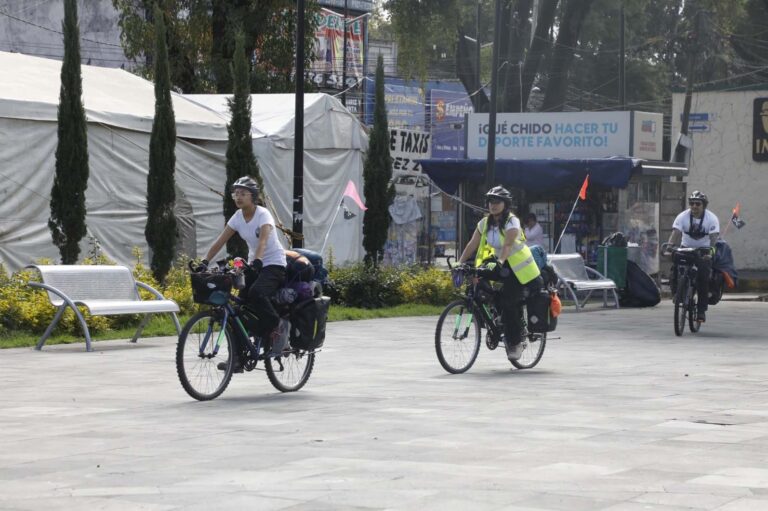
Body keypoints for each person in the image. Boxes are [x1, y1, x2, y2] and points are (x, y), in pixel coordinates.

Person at [199, 176, 287, 367]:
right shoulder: (238, 217)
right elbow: (220, 240)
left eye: (243, 194)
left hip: (273, 264)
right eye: (235, 194)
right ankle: (238, 359)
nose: (238, 197)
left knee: (257, 293)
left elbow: (263, 241)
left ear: (253, 196)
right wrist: (205, 261)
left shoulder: (263, 215)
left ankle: (276, 325)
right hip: (254, 263)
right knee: (238, 309)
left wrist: (258, 261)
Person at [458, 186, 542, 361]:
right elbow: (472, 244)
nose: (493, 205)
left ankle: (515, 342)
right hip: (499, 263)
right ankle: (496, 317)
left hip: (519, 268)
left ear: (506, 204)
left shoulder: (512, 222)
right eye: (490, 202)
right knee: (479, 284)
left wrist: (500, 262)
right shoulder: (484, 223)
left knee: (509, 302)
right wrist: (460, 263)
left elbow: (508, 245)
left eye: (497, 202)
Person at [666, 190, 719, 323]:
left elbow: (713, 238)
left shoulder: (711, 218)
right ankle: (677, 294)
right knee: (676, 268)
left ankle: (701, 311)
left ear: (704, 205)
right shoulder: (682, 216)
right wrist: (669, 247)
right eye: (692, 203)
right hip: (686, 248)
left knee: (703, 277)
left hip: (703, 251)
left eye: (697, 204)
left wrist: (710, 252)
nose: (694, 206)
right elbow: (676, 232)